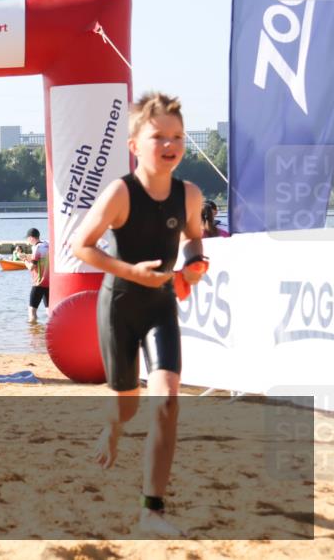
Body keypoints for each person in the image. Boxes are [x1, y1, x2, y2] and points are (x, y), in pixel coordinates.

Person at [72, 91, 206, 537]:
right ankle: (111, 428)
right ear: (134, 144)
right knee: (125, 410)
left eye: (178, 136)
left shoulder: (189, 194)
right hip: (120, 307)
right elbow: (81, 246)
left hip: (161, 306)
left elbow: (193, 238)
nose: (170, 145)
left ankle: (152, 510)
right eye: (159, 136)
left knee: (167, 402)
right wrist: (130, 270)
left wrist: (194, 264)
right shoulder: (120, 193)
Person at [16, 228, 50, 322]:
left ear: (31, 238)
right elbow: (39, 258)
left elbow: (31, 267)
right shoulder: (47, 244)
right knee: (49, 311)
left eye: (27, 238)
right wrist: (24, 255)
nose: (27, 241)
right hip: (49, 283)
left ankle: (34, 331)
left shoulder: (37, 248)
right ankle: (51, 329)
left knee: (32, 310)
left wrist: (23, 260)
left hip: (38, 283)